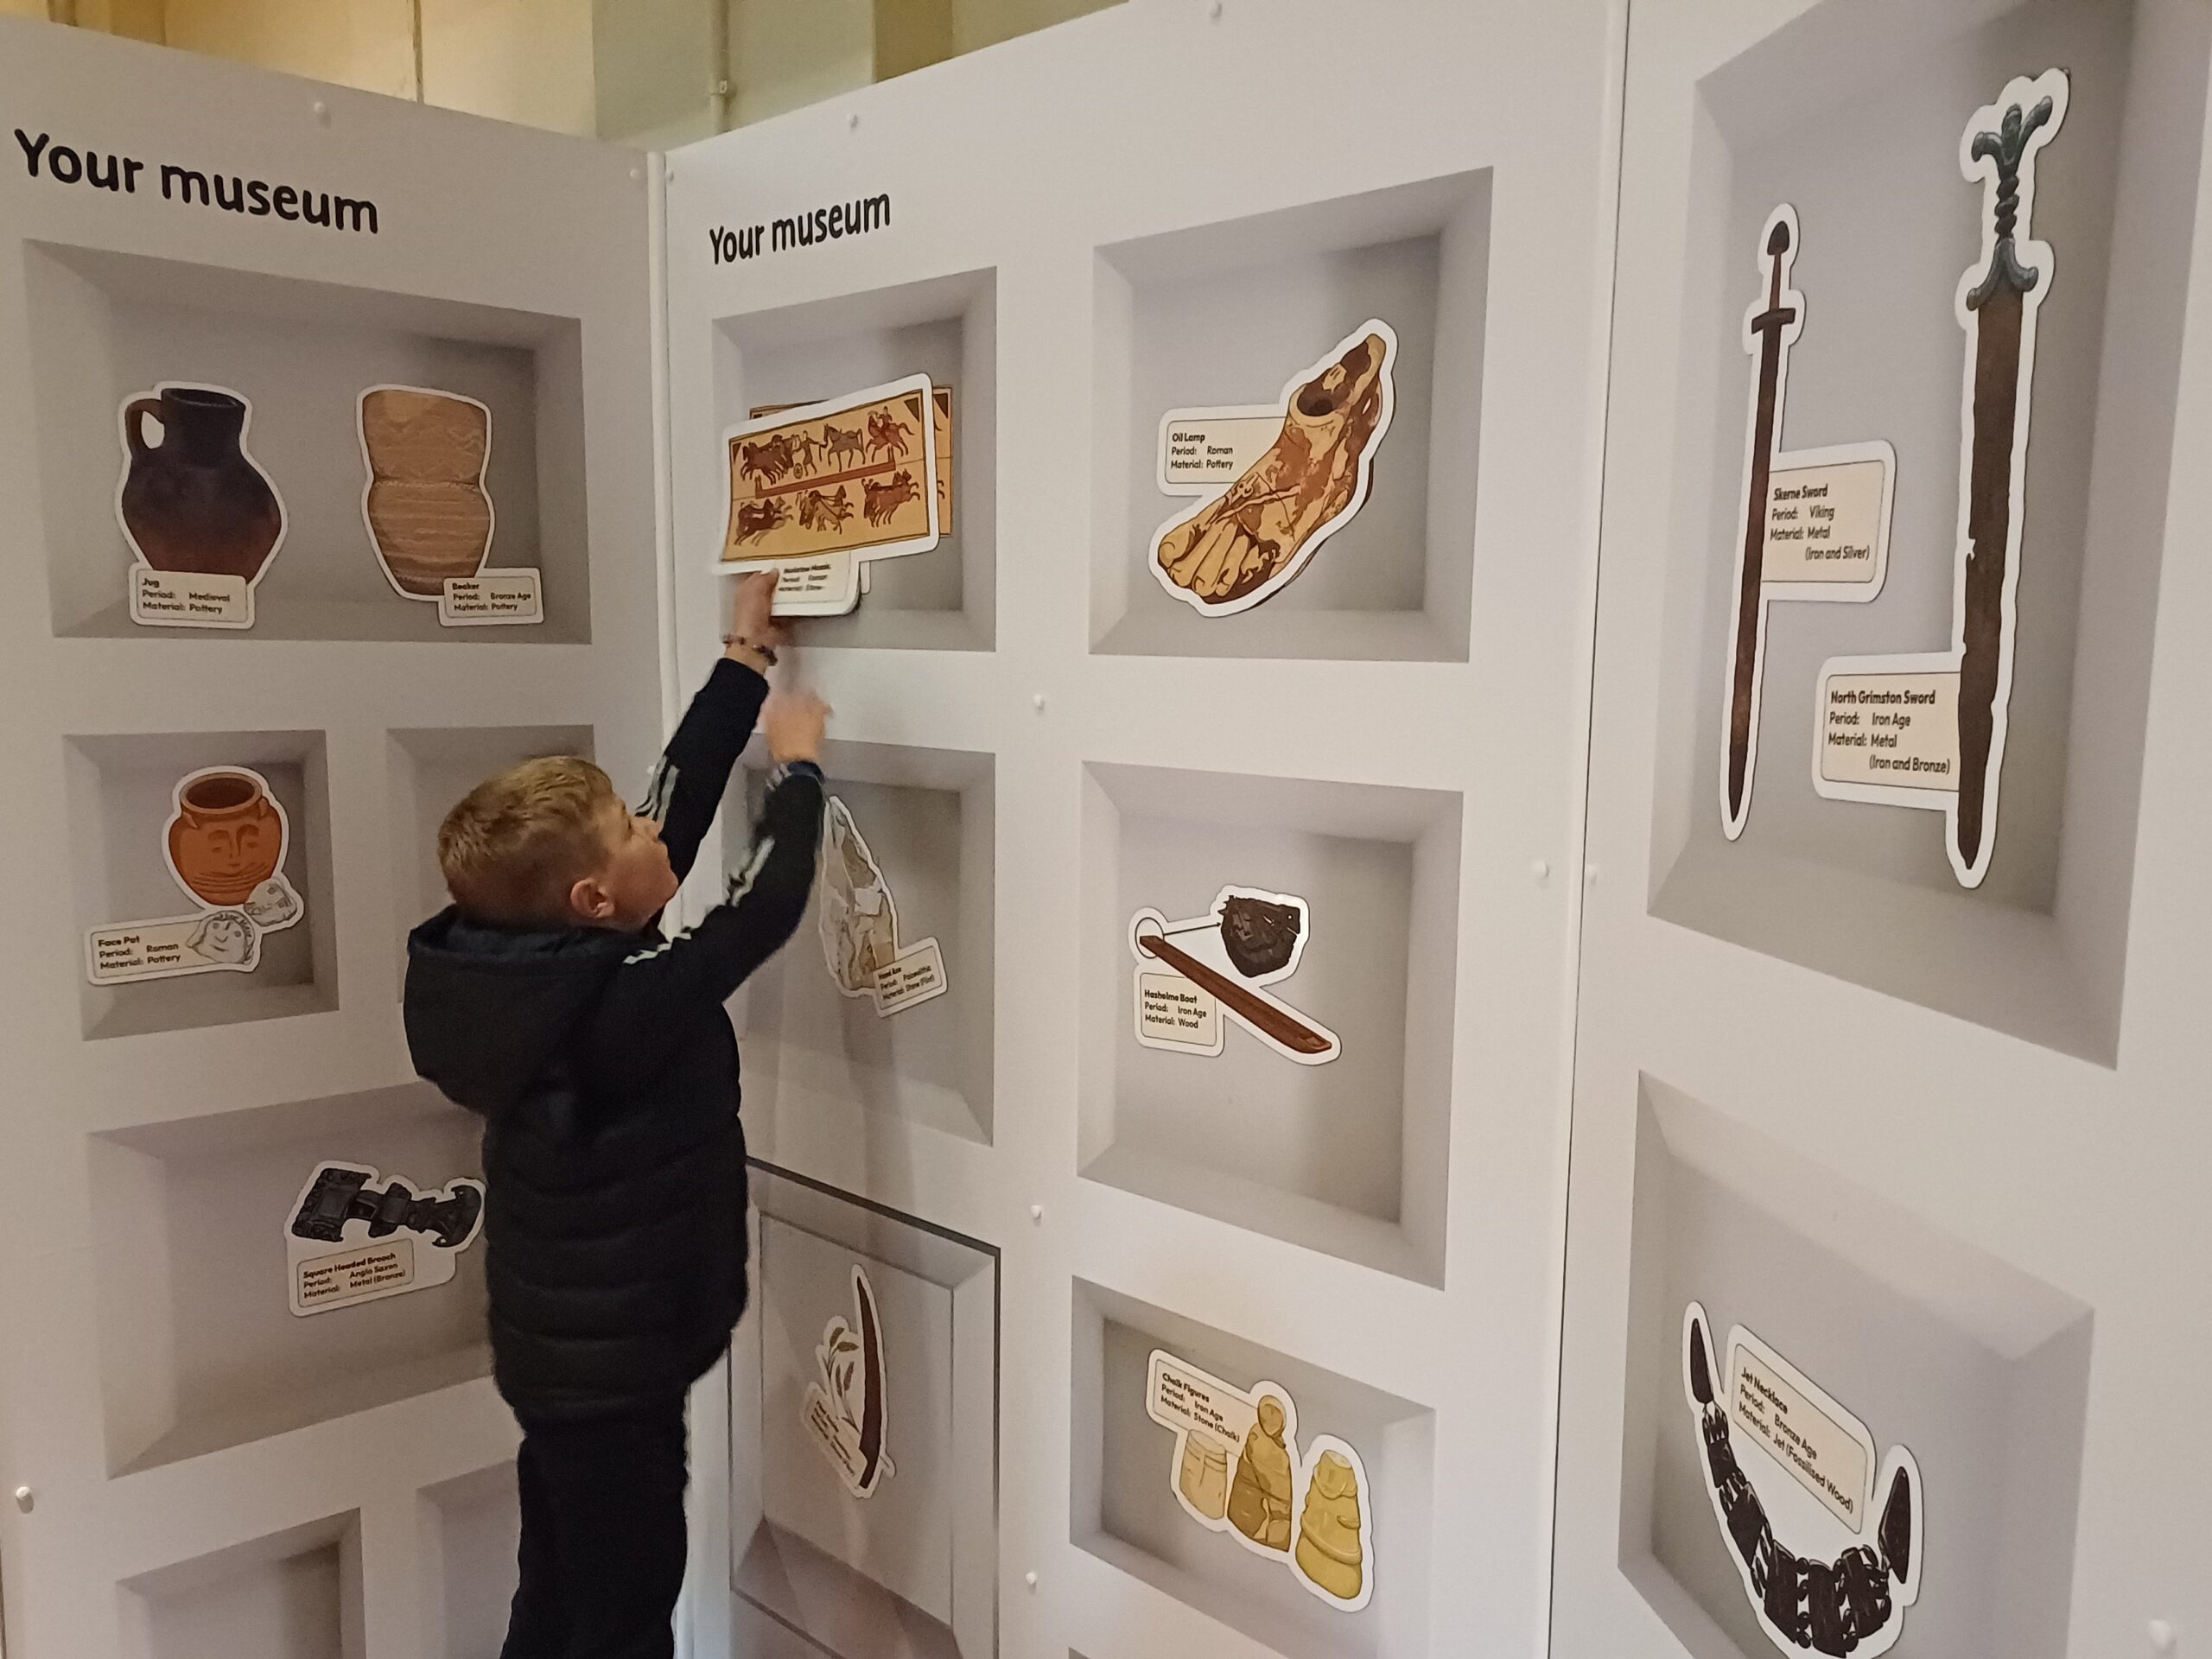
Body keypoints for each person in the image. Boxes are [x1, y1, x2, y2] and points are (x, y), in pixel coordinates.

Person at [403, 571, 826, 1657]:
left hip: (563, 1367)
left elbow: (670, 804)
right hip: (618, 1370)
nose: (657, 831)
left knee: (558, 1585)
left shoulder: (521, 979)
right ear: (595, 902)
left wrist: (743, 660)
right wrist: (799, 768)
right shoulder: (622, 1004)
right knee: (628, 1607)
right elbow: (755, 913)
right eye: (628, 834)